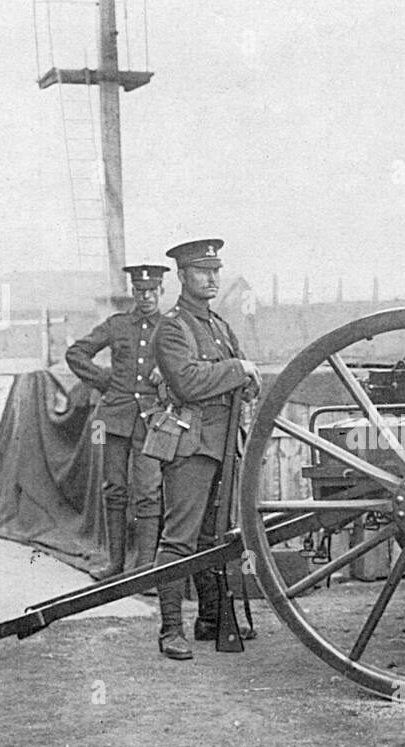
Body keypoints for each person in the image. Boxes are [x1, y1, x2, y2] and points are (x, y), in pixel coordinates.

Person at [151, 239, 261, 660]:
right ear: (182, 276)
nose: (212, 278)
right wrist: (237, 371)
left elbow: (248, 380)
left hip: (224, 443)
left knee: (214, 536)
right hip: (191, 443)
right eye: (202, 271)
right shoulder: (173, 326)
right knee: (179, 538)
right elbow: (187, 382)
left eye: (216, 270)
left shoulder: (218, 325)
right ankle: (170, 630)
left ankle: (211, 619)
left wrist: (244, 376)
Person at [65, 264, 168, 580]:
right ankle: (115, 565)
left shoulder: (172, 327)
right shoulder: (118, 324)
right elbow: (76, 353)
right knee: (114, 490)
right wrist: (104, 381)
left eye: (152, 290)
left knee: (149, 492)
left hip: (153, 420)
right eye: (140, 290)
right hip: (114, 419)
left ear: (161, 291)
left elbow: (194, 362)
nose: (146, 296)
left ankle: (146, 569)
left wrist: (168, 373)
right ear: (133, 292)